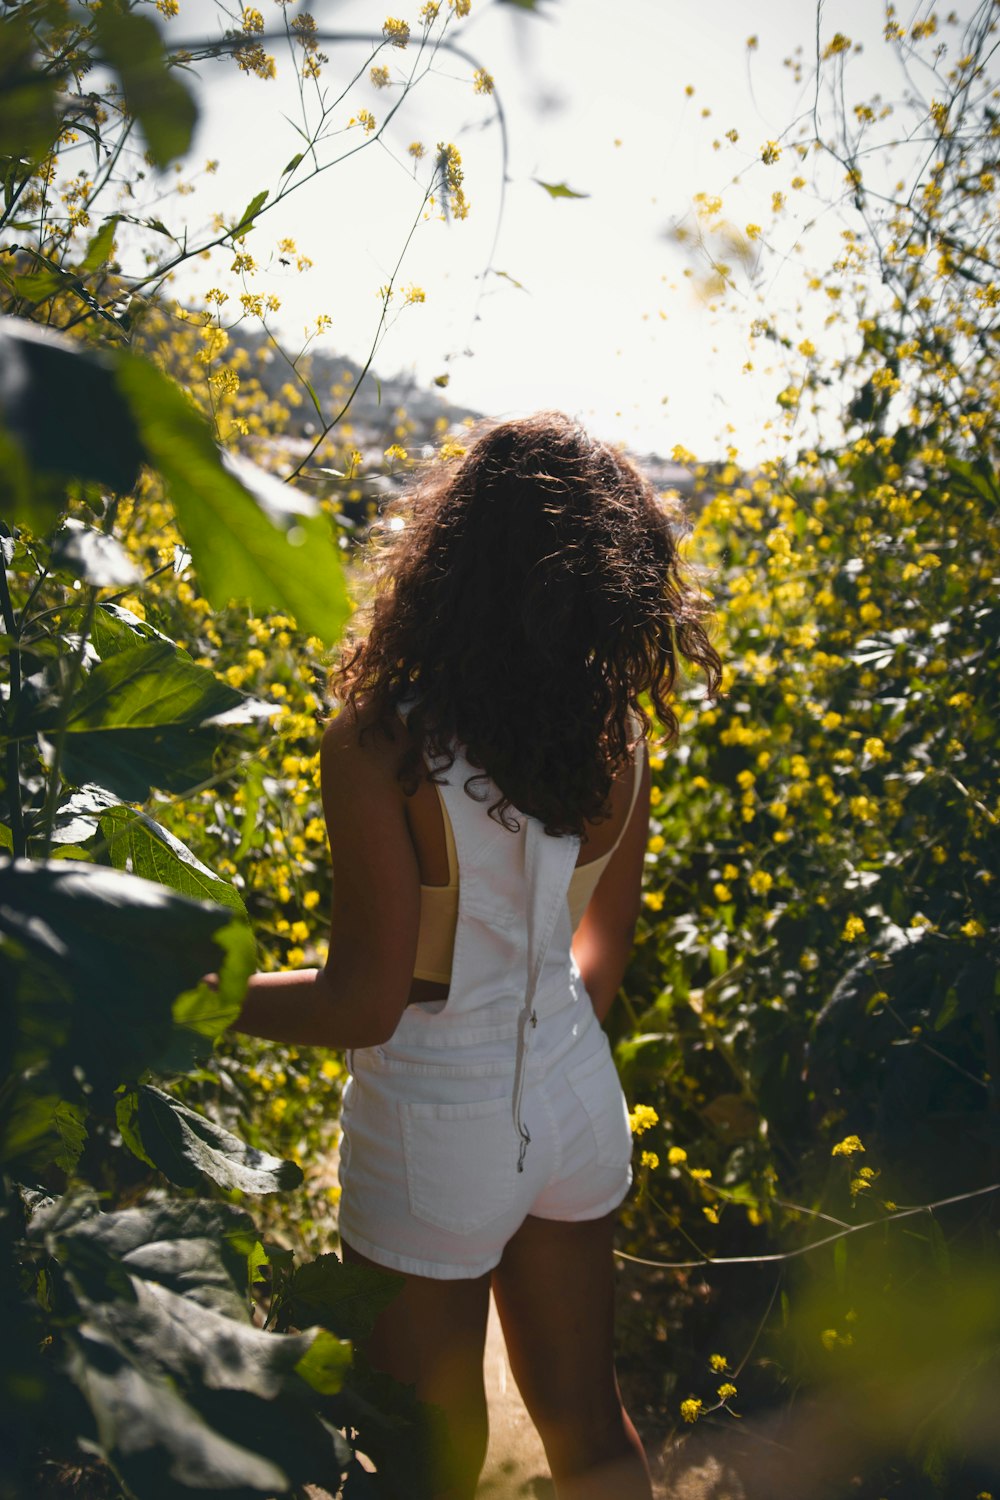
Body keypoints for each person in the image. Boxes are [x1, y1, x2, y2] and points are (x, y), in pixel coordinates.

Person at [230, 413, 723, 1499]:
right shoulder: (617, 734)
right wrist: (542, 1048)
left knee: (421, 1470)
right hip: (575, 1101)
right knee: (593, 1435)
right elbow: (600, 955)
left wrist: (198, 996)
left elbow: (366, 1002)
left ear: (447, 558)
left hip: (431, 1122)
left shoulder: (382, 741)